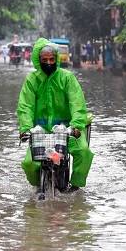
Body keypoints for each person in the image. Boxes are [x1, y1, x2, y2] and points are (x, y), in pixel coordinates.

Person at [17, 38, 94, 193]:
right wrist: (26, 128)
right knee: (29, 164)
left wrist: (76, 126)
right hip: (41, 131)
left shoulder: (67, 78)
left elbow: (77, 104)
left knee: (84, 152)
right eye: (44, 60)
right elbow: (25, 106)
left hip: (66, 130)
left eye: (52, 59)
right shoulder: (32, 80)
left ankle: (76, 185)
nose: (49, 63)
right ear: (38, 60)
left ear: (56, 59)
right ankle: (38, 185)